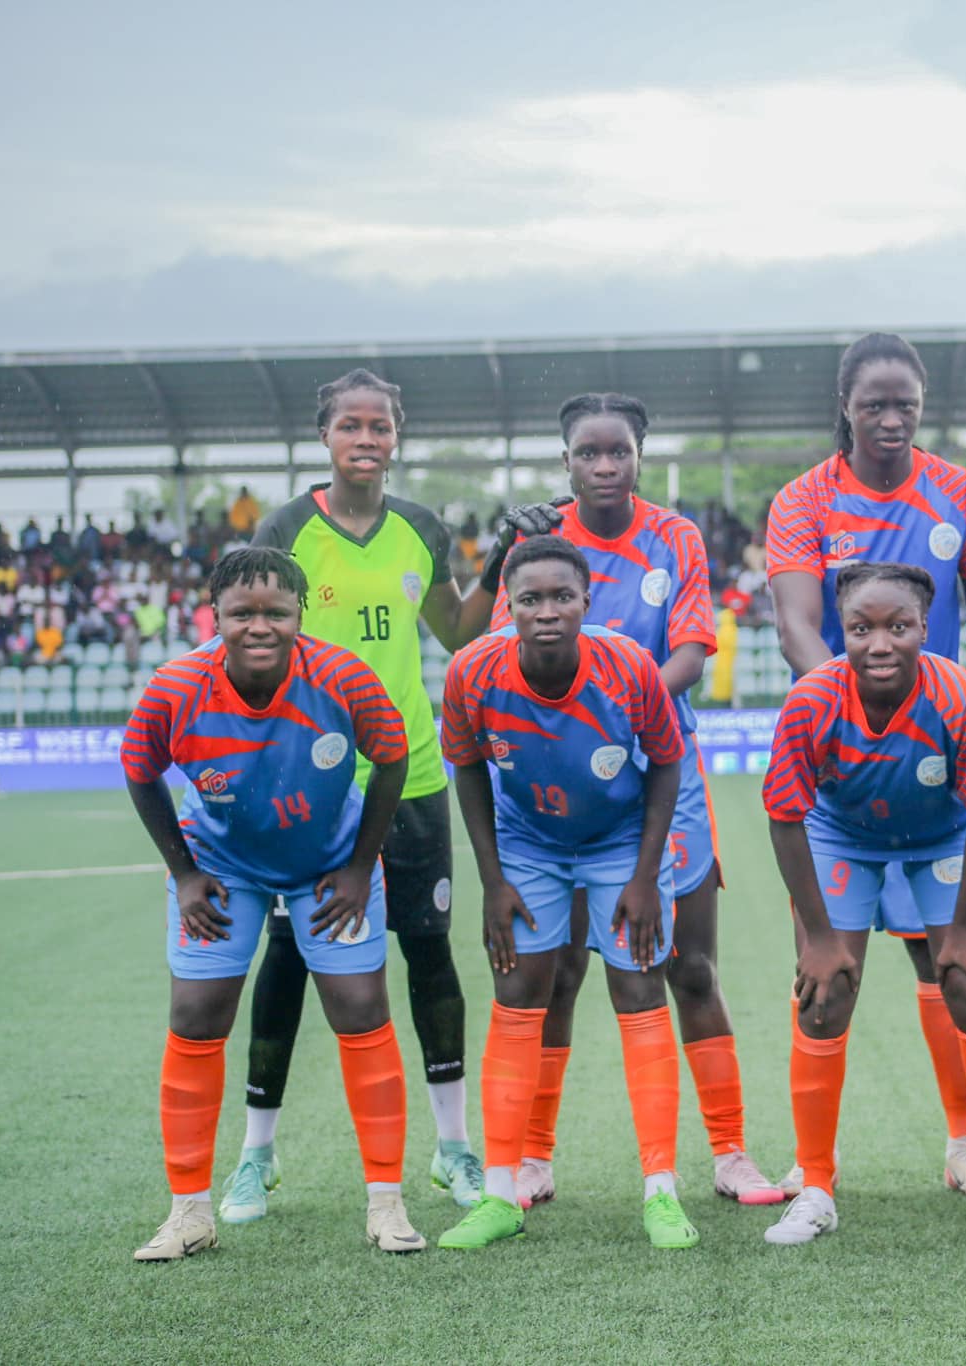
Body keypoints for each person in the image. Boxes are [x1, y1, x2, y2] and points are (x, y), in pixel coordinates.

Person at [227, 368, 566, 1220]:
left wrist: (501, 561)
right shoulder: (285, 529)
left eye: (381, 425)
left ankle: (452, 1150)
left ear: (396, 437)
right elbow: (253, 644)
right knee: (291, 957)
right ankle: (254, 1156)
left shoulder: (420, 528)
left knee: (428, 950)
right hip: (311, 785)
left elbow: (458, 634)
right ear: (325, 437)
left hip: (411, 774)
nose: (367, 439)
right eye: (351, 425)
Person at [487, 393, 780, 1207]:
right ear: (567, 460)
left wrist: (619, 708)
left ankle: (729, 1153)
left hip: (658, 772)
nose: (605, 466)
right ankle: (534, 1159)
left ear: (640, 456)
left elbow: (690, 645)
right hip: (555, 784)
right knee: (561, 970)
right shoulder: (539, 543)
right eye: (589, 452)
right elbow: (476, 636)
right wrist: (491, 556)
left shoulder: (675, 537)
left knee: (690, 965)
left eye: (619, 452)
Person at [121, 547, 423, 1259]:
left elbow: (394, 757)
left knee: (359, 1008)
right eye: (241, 613)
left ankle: (387, 1204)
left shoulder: (343, 676)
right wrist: (185, 873)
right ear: (215, 616)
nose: (259, 626)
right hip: (223, 870)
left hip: (326, 869)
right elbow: (140, 772)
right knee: (196, 1017)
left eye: (276, 612)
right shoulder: (176, 686)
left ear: (300, 615)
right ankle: (188, 1213)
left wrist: (357, 867)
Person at [765, 333, 966, 1196]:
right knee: (826, 967)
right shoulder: (803, 500)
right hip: (842, 760)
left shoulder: (962, 494)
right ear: (846, 405)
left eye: (906, 402)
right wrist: (840, 716)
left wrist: (953, 716)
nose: (892, 418)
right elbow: (798, 624)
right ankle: (813, 1164)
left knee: (949, 960)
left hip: (940, 757)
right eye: (875, 403)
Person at [760, 562, 966, 1245]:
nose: (879, 643)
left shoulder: (964, 698)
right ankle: (817, 1187)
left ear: (926, 629)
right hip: (841, 836)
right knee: (823, 994)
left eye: (898, 627)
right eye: (861, 628)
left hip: (941, 837)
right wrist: (822, 938)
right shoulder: (811, 701)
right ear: (842, 632)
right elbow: (786, 818)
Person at [436, 536, 696, 1250]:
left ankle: (661, 1194)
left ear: (587, 601)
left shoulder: (627, 665)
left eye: (561, 597)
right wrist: (493, 881)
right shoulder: (472, 672)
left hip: (619, 841)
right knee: (519, 997)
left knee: (640, 992)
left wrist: (645, 877)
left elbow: (668, 765)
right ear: (508, 607)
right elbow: (466, 770)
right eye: (529, 599)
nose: (546, 612)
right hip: (528, 845)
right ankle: (498, 1194)